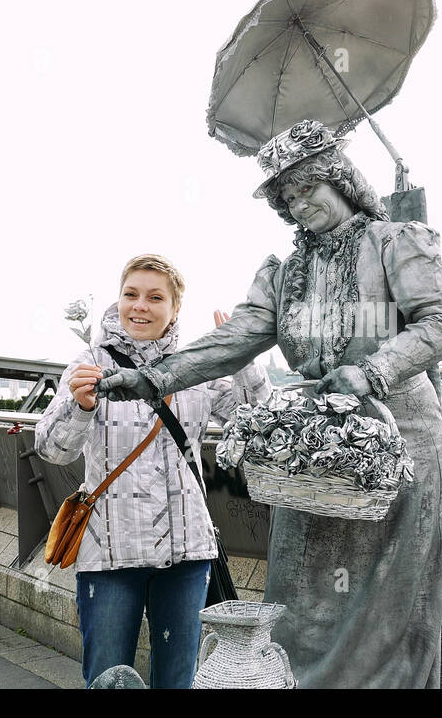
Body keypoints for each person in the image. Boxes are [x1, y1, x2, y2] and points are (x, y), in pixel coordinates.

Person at [99, 120, 442, 688]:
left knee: (392, 608)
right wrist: (152, 378)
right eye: (287, 197)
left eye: (308, 188)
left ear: (340, 180)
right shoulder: (285, 275)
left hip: (399, 447)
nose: (300, 205)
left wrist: (373, 370)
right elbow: (230, 342)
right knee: (302, 602)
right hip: (313, 456)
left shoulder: (396, 243)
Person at [34, 254, 270, 688]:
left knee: (178, 680)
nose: (140, 305)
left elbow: (262, 427)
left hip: (186, 553)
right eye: (131, 294)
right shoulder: (90, 362)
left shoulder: (197, 367)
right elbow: (51, 449)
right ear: (119, 300)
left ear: (175, 308)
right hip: (109, 553)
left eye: (155, 297)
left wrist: (243, 359)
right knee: (107, 678)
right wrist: (80, 405)